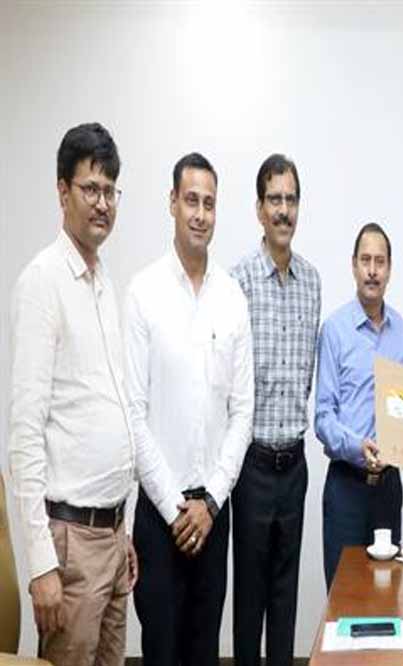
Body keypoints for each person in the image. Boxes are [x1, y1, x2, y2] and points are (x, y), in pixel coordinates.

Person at [8, 122, 137, 665]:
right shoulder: (43, 282)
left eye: (110, 191)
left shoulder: (103, 282)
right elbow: (24, 434)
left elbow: (105, 412)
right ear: (63, 192)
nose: (102, 203)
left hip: (111, 536)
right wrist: (41, 564)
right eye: (90, 189)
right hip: (69, 545)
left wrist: (122, 530)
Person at [125, 152, 254, 666]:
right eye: (192, 201)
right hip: (160, 519)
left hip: (213, 516)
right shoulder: (143, 293)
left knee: (204, 653)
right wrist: (175, 507)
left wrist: (211, 503)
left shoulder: (232, 298)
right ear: (172, 203)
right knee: (161, 653)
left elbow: (242, 413)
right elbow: (133, 413)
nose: (201, 214)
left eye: (209, 204)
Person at [230, 154, 321, 666]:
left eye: (291, 199)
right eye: (274, 200)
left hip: (295, 464)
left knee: (286, 598)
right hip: (253, 466)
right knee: (250, 598)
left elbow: (306, 375)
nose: (283, 210)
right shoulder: (238, 281)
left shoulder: (312, 281)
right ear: (259, 209)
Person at [315, 222, 403, 587]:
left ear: (390, 269)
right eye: (365, 260)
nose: (372, 270)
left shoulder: (401, 331)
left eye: (380, 262)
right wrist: (358, 446)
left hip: (388, 489)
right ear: (353, 265)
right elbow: (323, 416)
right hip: (347, 489)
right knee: (345, 598)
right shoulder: (335, 330)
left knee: (386, 597)